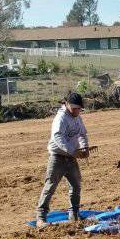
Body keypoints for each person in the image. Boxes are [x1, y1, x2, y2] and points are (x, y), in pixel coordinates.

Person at [36, 92, 90, 227]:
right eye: (75, 108)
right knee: (50, 187)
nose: (78, 111)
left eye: (79, 109)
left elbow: (82, 134)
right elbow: (58, 137)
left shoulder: (77, 117)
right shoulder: (60, 118)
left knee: (76, 186)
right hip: (57, 158)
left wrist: (84, 147)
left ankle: (74, 214)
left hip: (71, 158)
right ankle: (41, 218)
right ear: (67, 105)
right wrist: (73, 151)